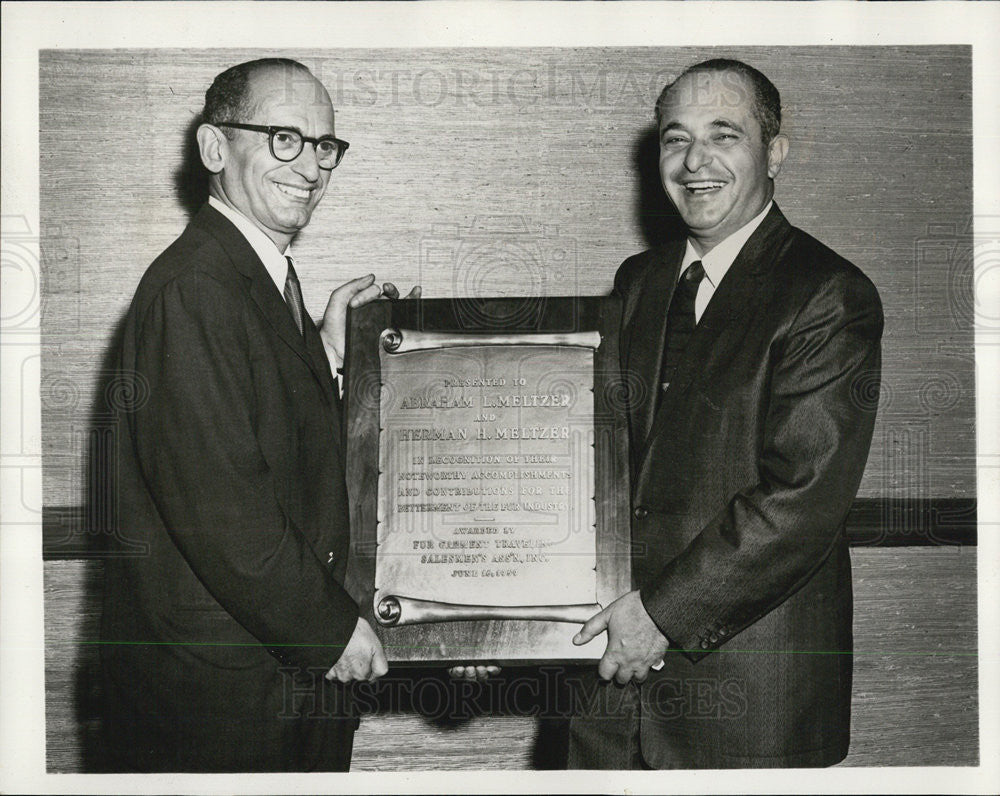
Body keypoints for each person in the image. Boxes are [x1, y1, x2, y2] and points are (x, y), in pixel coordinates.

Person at [100, 58, 414, 772]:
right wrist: (333, 633)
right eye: (283, 138)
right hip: (222, 706)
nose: (310, 166)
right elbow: (225, 510)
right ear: (215, 149)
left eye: (324, 145)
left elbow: (279, 459)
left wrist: (329, 356)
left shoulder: (255, 280)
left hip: (269, 688)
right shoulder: (196, 288)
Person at [569, 58, 884, 768]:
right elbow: (593, 457)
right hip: (611, 694)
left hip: (748, 699)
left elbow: (801, 501)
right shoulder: (639, 282)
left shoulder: (828, 293)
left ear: (774, 152)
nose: (694, 162)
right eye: (674, 139)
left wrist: (659, 617)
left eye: (724, 136)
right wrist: (493, 614)